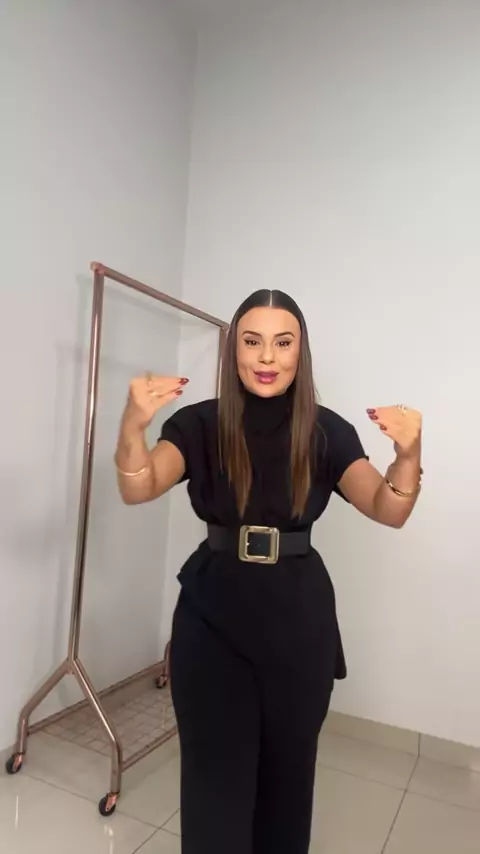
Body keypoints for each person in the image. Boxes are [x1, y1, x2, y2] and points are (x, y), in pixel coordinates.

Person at [114, 289, 422, 854]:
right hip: (212, 620)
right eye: (252, 341)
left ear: (301, 352)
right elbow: (140, 486)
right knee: (214, 785)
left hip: (299, 625)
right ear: (233, 348)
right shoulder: (199, 423)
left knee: (287, 783)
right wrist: (132, 428)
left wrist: (408, 457)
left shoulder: (328, 431)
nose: (266, 357)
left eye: (283, 343)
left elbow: (388, 508)